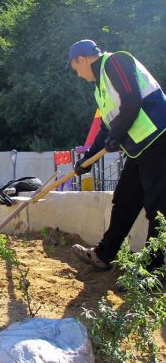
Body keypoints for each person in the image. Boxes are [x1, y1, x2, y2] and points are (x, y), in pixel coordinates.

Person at [67, 39, 166, 272]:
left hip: (159, 139)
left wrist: (117, 134)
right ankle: (103, 255)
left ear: (82, 59)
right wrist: (88, 160)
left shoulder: (115, 62)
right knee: (124, 200)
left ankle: (153, 271)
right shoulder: (100, 88)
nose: (79, 75)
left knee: (158, 208)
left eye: (76, 69)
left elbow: (133, 100)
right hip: (140, 147)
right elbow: (106, 128)